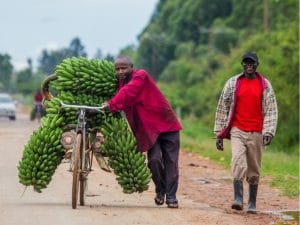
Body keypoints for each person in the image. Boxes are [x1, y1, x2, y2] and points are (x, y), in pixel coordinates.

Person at [101, 55, 182, 208]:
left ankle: (171, 197)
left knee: (171, 163)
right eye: (117, 69)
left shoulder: (140, 76)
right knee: (154, 160)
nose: (120, 71)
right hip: (149, 130)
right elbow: (121, 97)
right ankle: (160, 189)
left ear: (132, 67)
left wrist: (110, 105)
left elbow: (128, 93)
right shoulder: (119, 84)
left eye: (123, 68)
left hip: (166, 124)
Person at [214, 52, 278, 214]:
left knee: (254, 168)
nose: (249, 65)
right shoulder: (233, 83)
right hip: (237, 130)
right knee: (237, 161)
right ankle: (238, 199)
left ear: (257, 65)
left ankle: (252, 204)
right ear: (242, 64)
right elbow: (222, 107)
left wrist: (269, 131)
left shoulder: (265, 85)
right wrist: (219, 134)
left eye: (252, 63)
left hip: (256, 131)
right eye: (246, 62)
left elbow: (271, 109)